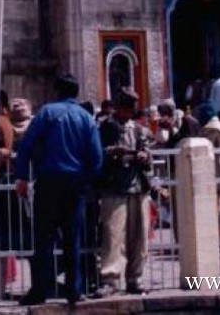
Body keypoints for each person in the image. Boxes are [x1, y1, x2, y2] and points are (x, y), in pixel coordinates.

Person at [14, 73, 103, 306]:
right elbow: (96, 157)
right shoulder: (85, 118)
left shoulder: (46, 113)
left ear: (57, 91)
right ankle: (74, 291)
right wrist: (87, 182)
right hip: (75, 184)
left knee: (44, 239)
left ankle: (40, 291)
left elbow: (25, 146)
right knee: (72, 239)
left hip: (48, 181)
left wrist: (22, 177)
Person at [93, 87, 151, 299]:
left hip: (137, 187)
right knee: (113, 235)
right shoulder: (103, 127)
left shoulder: (139, 130)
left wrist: (144, 156)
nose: (129, 111)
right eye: (126, 106)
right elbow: (96, 152)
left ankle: (135, 278)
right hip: (114, 187)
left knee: (139, 237)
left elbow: (148, 157)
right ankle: (110, 279)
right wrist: (112, 153)